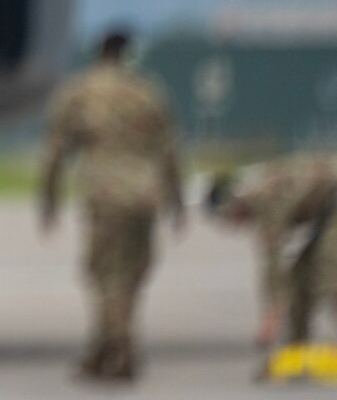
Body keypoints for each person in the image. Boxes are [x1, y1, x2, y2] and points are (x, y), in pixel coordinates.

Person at [39, 27, 186, 383]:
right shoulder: (149, 92)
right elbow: (169, 152)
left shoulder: (80, 92)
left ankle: (121, 350)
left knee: (104, 276)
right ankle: (102, 351)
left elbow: (57, 152)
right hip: (144, 196)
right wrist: (177, 203)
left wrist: (49, 201)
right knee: (131, 275)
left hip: (104, 196)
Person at [207, 155, 337, 353]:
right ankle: (298, 350)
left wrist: (273, 315)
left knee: (329, 275)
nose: (234, 225)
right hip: (326, 215)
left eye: (229, 218)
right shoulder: (261, 192)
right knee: (300, 279)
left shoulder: (264, 201)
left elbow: (273, 260)